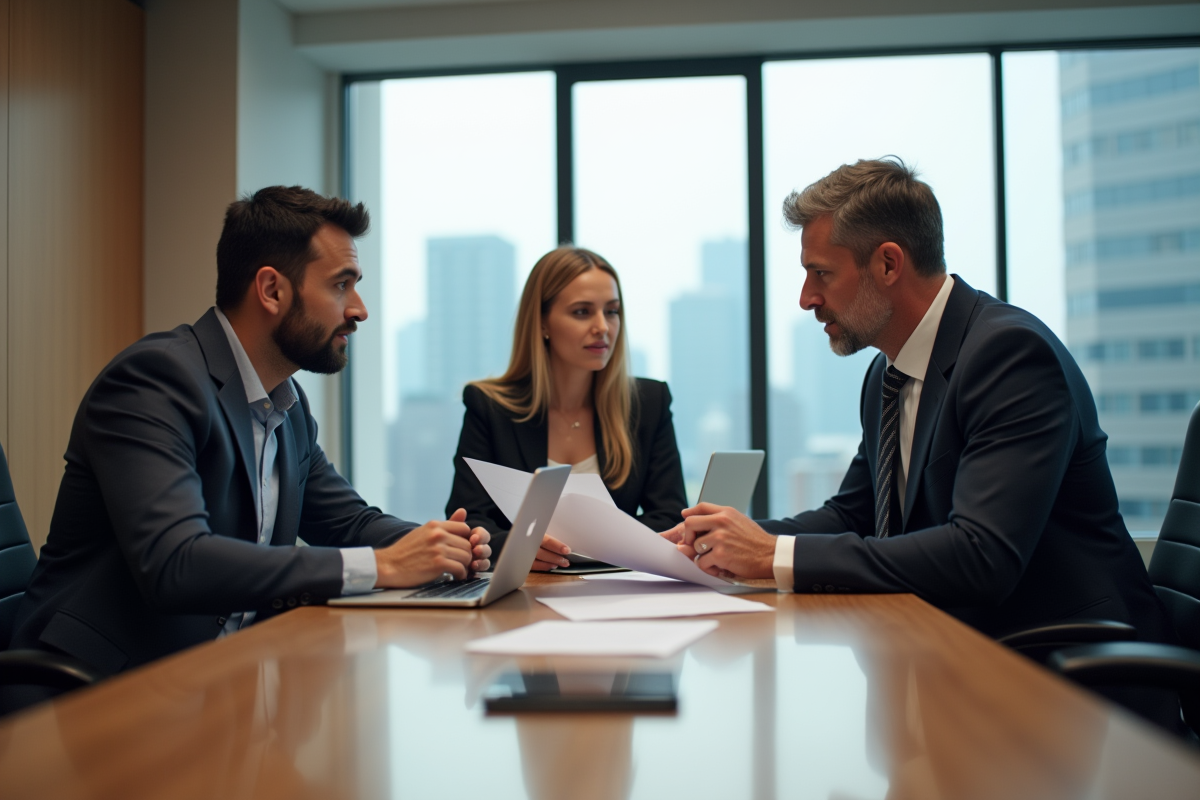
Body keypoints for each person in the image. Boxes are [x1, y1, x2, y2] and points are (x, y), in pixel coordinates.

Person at [663, 159, 1181, 729]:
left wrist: (771, 556)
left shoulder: (1008, 356)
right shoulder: (888, 375)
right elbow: (854, 514)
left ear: (887, 263)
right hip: (958, 660)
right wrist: (736, 538)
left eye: (821, 274)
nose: (807, 298)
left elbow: (981, 555)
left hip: (1068, 689)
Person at [9, 186, 491, 681]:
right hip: (87, 690)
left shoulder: (287, 404)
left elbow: (348, 523)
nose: (359, 309)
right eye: (341, 285)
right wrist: (383, 566)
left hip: (213, 680)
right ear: (271, 290)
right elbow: (177, 562)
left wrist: (437, 545)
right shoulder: (154, 380)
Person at [446, 246, 687, 570]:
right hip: (525, 591)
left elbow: (671, 517)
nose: (603, 326)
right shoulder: (489, 407)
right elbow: (469, 520)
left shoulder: (648, 402)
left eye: (612, 311)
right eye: (582, 312)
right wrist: (522, 545)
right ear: (542, 322)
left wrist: (596, 547)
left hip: (622, 588)